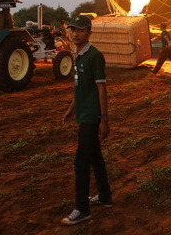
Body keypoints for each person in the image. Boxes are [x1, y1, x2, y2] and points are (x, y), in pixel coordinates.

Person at [61, 15, 113, 225]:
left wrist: (104, 119)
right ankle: (105, 195)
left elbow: (102, 89)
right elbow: (80, 86)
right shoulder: (78, 55)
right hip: (83, 113)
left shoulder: (94, 56)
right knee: (95, 157)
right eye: (72, 29)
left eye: (80, 30)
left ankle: (82, 209)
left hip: (92, 116)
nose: (75, 33)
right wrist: (71, 108)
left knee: (81, 162)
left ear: (89, 32)